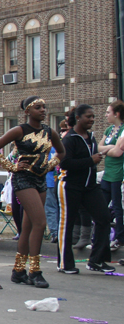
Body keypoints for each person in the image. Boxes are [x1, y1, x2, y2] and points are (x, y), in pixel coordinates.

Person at [0, 96, 65, 289]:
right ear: (27, 111)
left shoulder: (49, 132)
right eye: (38, 107)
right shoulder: (19, 130)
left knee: (29, 225)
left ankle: (18, 270)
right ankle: (35, 271)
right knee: (40, 222)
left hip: (40, 179)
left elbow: (61, 152)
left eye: (44, 107)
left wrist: (51, 165)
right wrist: (11, 167)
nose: (43, 110)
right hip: (23, 179)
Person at [56, 105, 115, 274]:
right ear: (79, 118)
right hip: (70, 186)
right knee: (66, 224)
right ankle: (64, 264)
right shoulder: (70, 138)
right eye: (88, 116)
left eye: (93, 116)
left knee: (104, 218)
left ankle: (97, 260)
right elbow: (65, 164)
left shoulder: (91, 137)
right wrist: (90, 160)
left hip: (90, 187)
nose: (92, 119)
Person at [98, 100, 124, 251]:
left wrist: (107, 150)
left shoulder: (123, 130)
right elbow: (99, 147)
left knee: (117, 206)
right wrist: (109, 147)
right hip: (107, 173)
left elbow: (118, 152)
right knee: (102, 207)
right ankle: (101, 237)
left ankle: (119, 238)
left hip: (118, 173)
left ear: (117, 114)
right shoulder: (109, 130)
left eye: (108, 112)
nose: (106, 115)